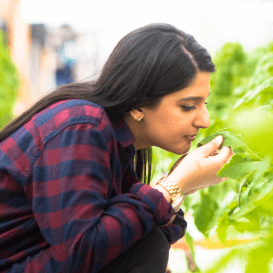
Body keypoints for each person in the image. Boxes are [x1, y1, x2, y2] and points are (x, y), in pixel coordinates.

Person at [0, 23, 233, 273]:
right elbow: (83, 250)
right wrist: (173, 185)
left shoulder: (114, 139)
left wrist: (176, 190)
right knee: (147, 246)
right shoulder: (82, 127)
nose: (204, 120)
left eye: (204, 103)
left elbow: (141, 229)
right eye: (188, 106)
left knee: (146, 241)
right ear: (138, 103)